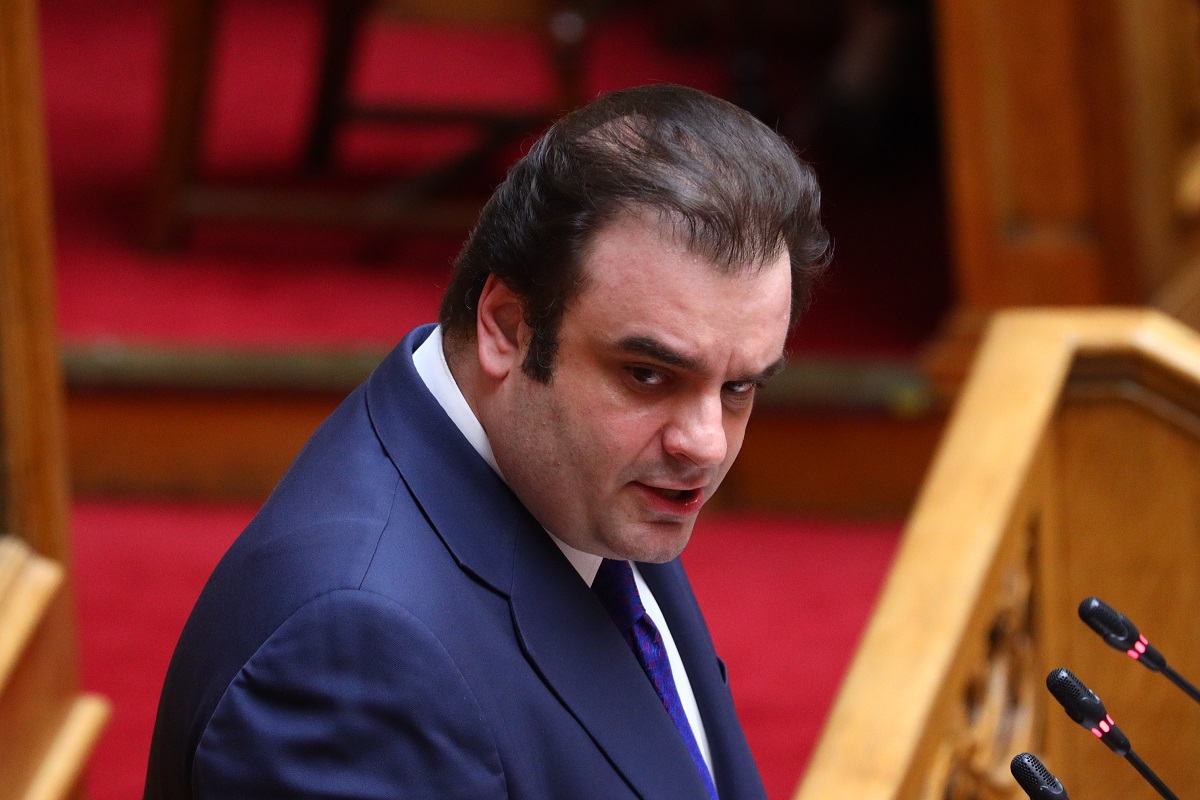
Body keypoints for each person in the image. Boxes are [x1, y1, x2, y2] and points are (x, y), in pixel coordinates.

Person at [144, 83, 830, 800]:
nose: (706, 444)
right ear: (505, 326)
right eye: (648, 375)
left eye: (739, 387)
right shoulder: (354, 658)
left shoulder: (585, 479)